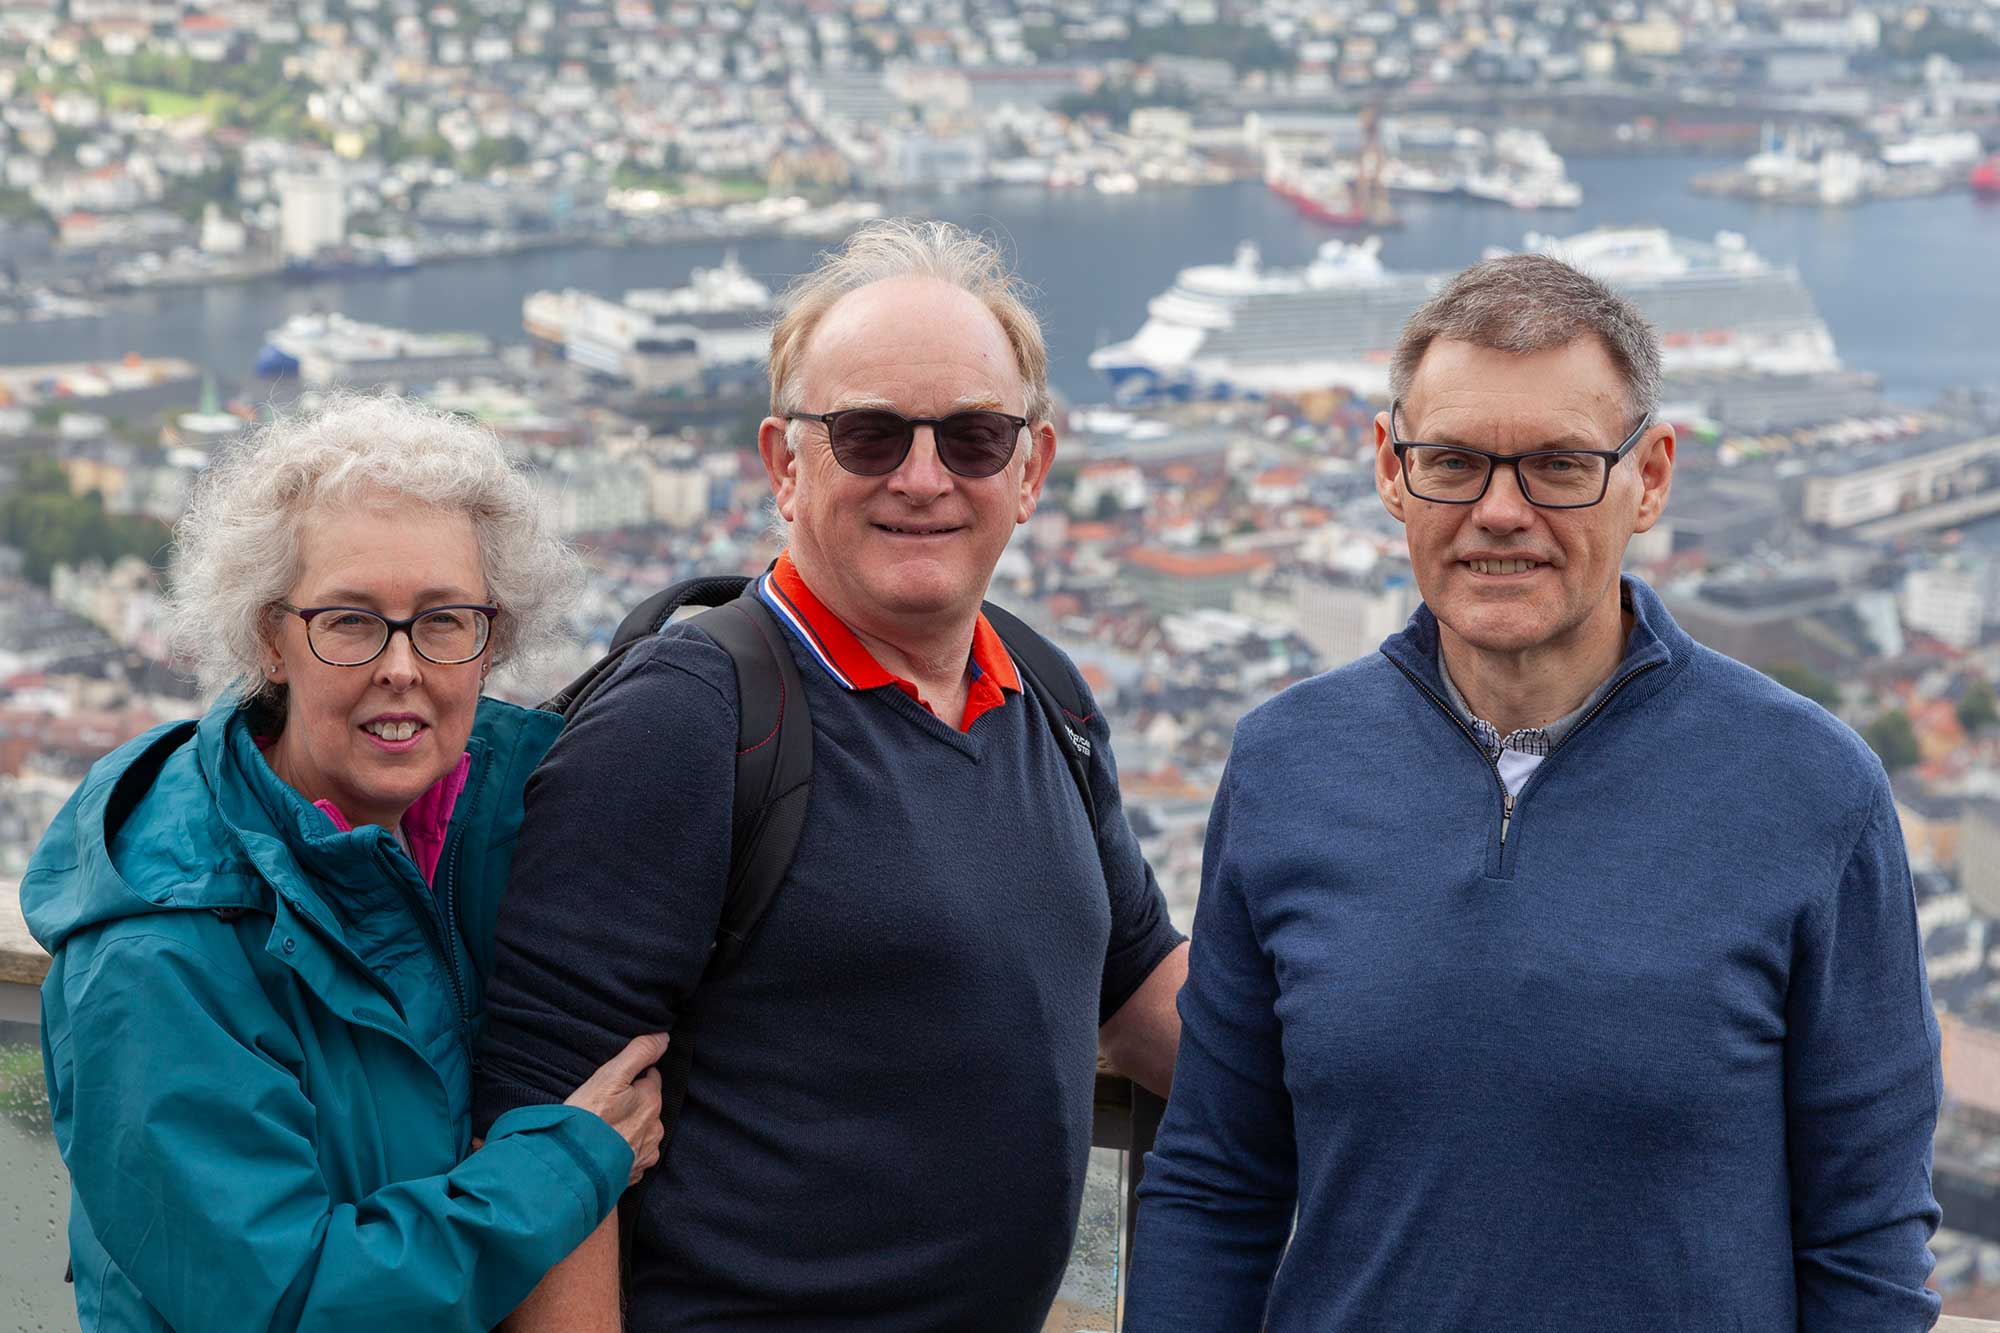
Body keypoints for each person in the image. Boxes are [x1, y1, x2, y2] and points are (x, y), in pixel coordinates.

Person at [1128, 254, 1942, 1330]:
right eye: (1453, 462)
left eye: (1558, 465)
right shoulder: (1286, 764)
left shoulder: (1810, 789)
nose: (1498, 512)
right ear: (1388, 469)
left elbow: (1864, 1242)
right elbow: (1215, 1181)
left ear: (1649, 475)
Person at [475, 219, 1189, 1330]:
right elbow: (540, 1114)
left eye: (971, 438)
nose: (920, 477)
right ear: (783, 464)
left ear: (1030, 468)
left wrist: (1408, 1098)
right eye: (866, 436)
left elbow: (1140, 983)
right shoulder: (686, 720)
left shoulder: (1041, 690)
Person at [24, 395, 669, 1333]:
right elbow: (289, 1300)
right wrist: (569, 1164)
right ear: (267, 639)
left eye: (445, 619)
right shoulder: (163, 948)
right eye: (353, 621)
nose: (402, 665)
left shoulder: (523, 822)